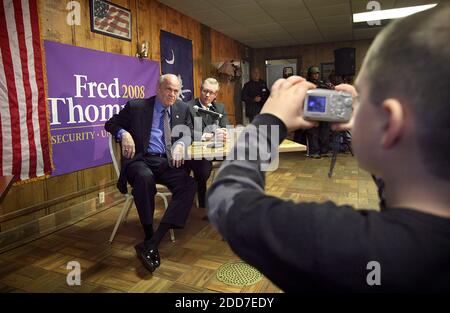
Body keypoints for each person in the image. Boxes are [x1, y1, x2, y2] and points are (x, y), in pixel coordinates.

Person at [207, 6, 450, 293]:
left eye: (363, 95)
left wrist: (269, 121)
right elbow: (402, 182)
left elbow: (226, 199)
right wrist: (372, 128)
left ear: (390, 123)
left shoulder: (342, 243)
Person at [105, 74, 196, 273]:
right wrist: (124, 133)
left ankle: (154, 241)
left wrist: (181, 144)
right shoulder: (137, 107)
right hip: (140, 159)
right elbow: (110, 123)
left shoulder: (181, 108)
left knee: (189, 185)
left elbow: (189, 130)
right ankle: (148, 234)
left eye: (176, 91)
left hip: (166, 161)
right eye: (168, 89)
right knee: (144, 178)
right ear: (158, 88)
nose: (172, 94)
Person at [185, 78, 229, 214]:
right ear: (200, 90)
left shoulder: (219, 108)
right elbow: (186, 130)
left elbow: (225, 126)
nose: (207, 95)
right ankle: (202, 201)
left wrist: (224, 132)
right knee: (203, 168)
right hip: (196, 152)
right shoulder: (188, 106)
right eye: (205, 91)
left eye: (211, 93)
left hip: (217, 149)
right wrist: (203, 136)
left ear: (216, 95)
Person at [305, 66, 333, 159]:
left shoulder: (321, 83)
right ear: (310, 75)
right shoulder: (306, 84)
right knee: (313, 132)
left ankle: (324, 151)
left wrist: (330, 87)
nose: (316, 75)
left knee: (325, 130)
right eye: (314, 73)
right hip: (312, 110)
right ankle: (314, 152)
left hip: (322, 110)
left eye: (317, 73)